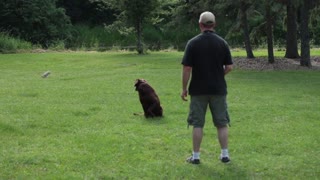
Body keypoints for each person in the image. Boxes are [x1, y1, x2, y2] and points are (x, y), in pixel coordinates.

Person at [181, 11, 233, 164]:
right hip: (218, 89)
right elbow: (229, 67)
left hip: (198, 90)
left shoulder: (193, 43)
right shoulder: (222, 43)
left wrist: (184, 89)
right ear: (214, 25)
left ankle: (196, 157)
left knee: (198, 124)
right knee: (221, 123)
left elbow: (187, 69)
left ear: (200, 25)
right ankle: (225, 155)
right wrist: (218, 75)